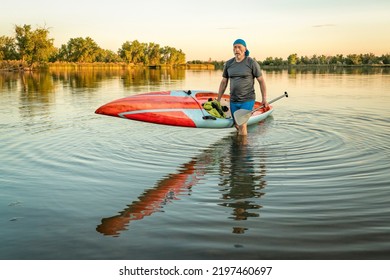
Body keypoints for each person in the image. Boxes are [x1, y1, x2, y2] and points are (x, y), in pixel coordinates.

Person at [217, 39, 268, 135]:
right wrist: (218, 99)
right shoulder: (228, 64)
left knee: (242, 124)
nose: (237, 49)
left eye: (239, 47)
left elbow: (261, 81)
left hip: (247, 100)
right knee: (236, 124)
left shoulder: (251, 63)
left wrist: (264, 98)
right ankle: (240, 143)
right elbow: (224, 82)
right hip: (233, 100)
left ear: (245, 49)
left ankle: (243, 149)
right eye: (235, 47)